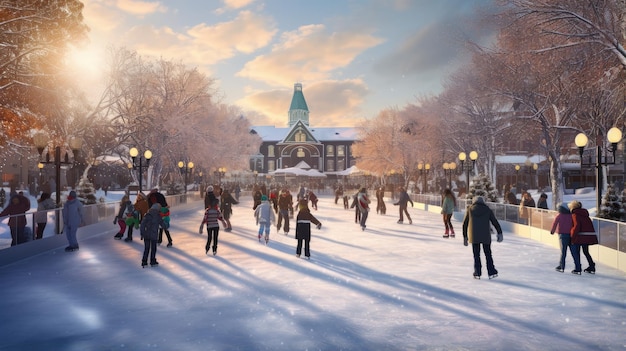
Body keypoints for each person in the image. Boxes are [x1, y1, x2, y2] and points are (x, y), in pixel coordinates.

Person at [462, 196, 503, 279]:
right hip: (485, 236)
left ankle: (477, 272)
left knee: (476, 255)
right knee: (488, 254)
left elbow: (465, 224)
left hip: (474, 236)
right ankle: (491, 272)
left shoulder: (470, 209)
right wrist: (499, 233)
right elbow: (494, 222)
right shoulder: (487, 209)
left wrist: (465, 237)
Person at [569, 200, 598, 274]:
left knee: (577, 251)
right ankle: (591, 265)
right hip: (588, 235)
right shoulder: (585, 214)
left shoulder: (575, 215)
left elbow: (576, 226)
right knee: (586, 251)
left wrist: (572, 236)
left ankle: (578, 268)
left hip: (580, 236)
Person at [550, 203, 575, 273]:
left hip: (562, 235)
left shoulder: (559, 216)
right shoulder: (571, 216)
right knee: (573, 252)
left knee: (563, 251)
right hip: (571, 235)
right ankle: (577, 266)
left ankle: (562, 266)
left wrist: (552, 231)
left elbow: (555, 223)